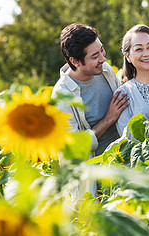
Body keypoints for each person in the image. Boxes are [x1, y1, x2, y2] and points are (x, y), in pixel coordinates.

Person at [52, 23, 129, 158]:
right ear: (75, 61)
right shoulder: (61, 96)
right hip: (96, 171)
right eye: (94, 56)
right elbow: (74, 146)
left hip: (123, 159)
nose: (102, 58)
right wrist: (108, 119)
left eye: (102, 50)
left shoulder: (105, 70)